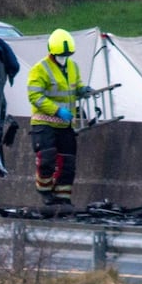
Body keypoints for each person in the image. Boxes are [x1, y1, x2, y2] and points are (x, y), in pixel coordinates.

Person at [27, 28, 89, 206]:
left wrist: (82, 90)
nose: (64, 58)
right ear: (52, 52)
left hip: (65, 124)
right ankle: (45, 191)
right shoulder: (39, 69)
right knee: (47, 158)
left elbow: (75, 87)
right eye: (61, 55)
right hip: (44, 122)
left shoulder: (72, 66)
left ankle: (63, 198)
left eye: (67, 55)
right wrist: (56, 110)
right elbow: (35, 97)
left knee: (68, 163)